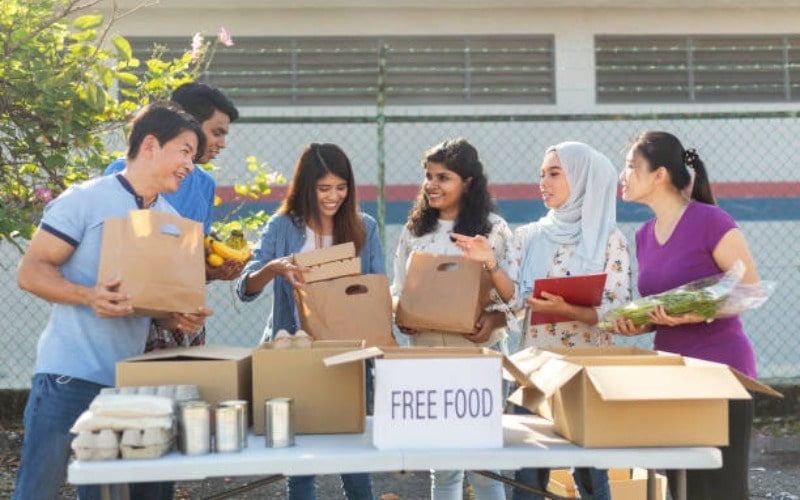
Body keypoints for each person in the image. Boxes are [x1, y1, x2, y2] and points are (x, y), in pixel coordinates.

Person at [13, 101, 212, 500]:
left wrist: (178, 319)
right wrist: (89, 296)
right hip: (69, 376)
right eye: (186, 151)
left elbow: (150, 302)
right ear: (151, 144)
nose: (190, 165)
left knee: (106, 495)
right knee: (38, 489)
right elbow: (31, 271)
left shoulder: (171, 218)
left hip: (129, 387)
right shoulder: (85, 199)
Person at [461, 141, 631, 499]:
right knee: (528, 472)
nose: (544, 182)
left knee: (590, 473)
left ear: (582, 178)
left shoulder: (609, 239)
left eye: (554, 173)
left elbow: (617, 309)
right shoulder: (530, 236)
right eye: (541, 174)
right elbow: (516, 303)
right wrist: (490, 261)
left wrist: (571, 310)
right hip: (535, 371)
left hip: (586, 372)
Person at [612, 131, 761, 500]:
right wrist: (639, 324)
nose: (623, 175)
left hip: (722, 374)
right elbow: (662, 307)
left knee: (722, 489)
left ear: (659, 174)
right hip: (673, 375)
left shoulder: (712, 221)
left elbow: (751, 289)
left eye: (631, 166)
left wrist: (700, 314)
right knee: (684, 490)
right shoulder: (644, 235)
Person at [236, 143, 383, 500]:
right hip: (295, 352)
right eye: (323, 188)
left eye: (341, 187)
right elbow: (245, 287)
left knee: (355, 453)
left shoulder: (365, 227)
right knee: (298, 457)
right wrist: (274, 268)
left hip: (348, 354)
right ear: (306, 187)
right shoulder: (283, 225)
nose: (333, 196)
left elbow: (377, 287)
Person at [391, 138, 513, 500]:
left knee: (485, 467)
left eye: (443, 177)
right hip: (428, 355)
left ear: (469, 182)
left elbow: (512, 296)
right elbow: (399, 288)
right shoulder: (415, 231)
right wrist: (402, 314)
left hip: (479, 355)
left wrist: (494, 320)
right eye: (428, 176)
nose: (432, 184)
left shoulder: (493, 229)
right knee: (443, 469)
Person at [105, 82, 242, 350]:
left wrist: (214, 271)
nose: (223, 144)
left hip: (183, 319)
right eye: (217, 133)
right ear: (187, 125)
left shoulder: (204, 185)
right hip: (128, 322)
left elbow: (187, 266)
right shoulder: (121, 174)